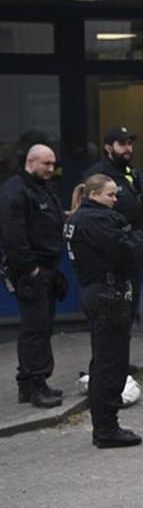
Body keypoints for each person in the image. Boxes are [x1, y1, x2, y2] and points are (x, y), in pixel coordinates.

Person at [65, 174, 143, 448]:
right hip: (108, 294)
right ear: (94, 195)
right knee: (110, 362)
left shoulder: (79, 219)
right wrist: (140, 237)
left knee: (103, 359)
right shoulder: (97, 220)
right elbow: (126, 251)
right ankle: (106, 428)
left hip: (98, 292)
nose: (116, 199)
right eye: (111, 195)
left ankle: (105, 425)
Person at [0, 143, 66, 408]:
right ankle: (35, 384)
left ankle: (30, 382)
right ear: (31, 162)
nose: (51, 169)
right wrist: (31, 268)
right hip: (31, 271)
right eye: (46, 164)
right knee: (35, 329)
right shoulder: (16, 191)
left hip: (44, 268)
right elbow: (14, 235)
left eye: (53, 164)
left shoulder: (40, 189)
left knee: (40, 327)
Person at [82, 126, 143, 318]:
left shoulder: (134, 174)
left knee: (129, 310)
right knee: (112, 318)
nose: (127, 148)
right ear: (108, 148)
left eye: (130, 144)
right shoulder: (97, 176)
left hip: (133, 251)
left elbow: (142, 212)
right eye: (121, 144)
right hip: (111, 253)